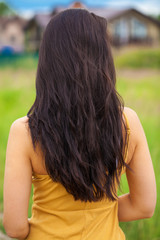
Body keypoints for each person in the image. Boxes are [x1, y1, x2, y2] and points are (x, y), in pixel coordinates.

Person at [3, 9, 156, 240]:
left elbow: (15, 227)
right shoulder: (127, 122)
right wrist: (98, 214)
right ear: (103, 58)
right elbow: (144, 206)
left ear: (48, 61)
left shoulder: (25, 132)